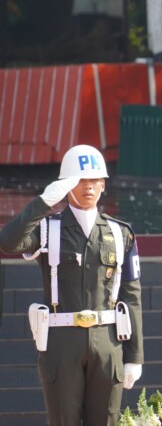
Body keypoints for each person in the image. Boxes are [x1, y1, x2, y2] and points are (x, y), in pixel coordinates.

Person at [0, 144, 143, 425]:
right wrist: (41, 203)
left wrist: (134, 356)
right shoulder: (46, 229)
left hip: (107, 341)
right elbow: (8, 243)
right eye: (80, 181)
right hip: (61, 341)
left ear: (103, 185)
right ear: (66, 186)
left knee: (105, 421)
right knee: (63, 420)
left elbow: (132, 296)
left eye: (94, 181)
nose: (88, 187)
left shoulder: (120, 232)